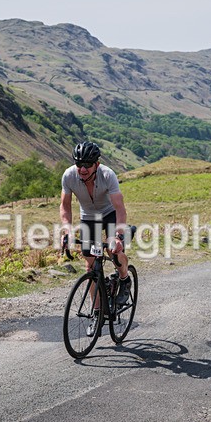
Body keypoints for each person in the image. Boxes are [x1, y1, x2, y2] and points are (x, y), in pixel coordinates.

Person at [60, 142, 131, 332]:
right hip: (88, 217)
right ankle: (98, 313)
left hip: (110, 214)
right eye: (79, 164)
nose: (82, 169)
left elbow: (120, 208)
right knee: (89, 264)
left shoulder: (108, 175)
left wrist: (118, 236)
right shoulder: (69, 176)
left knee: (113, 250)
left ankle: (124, 278)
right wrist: (67, 230)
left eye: (87, 165)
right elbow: (65, 206)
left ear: (96, 165)